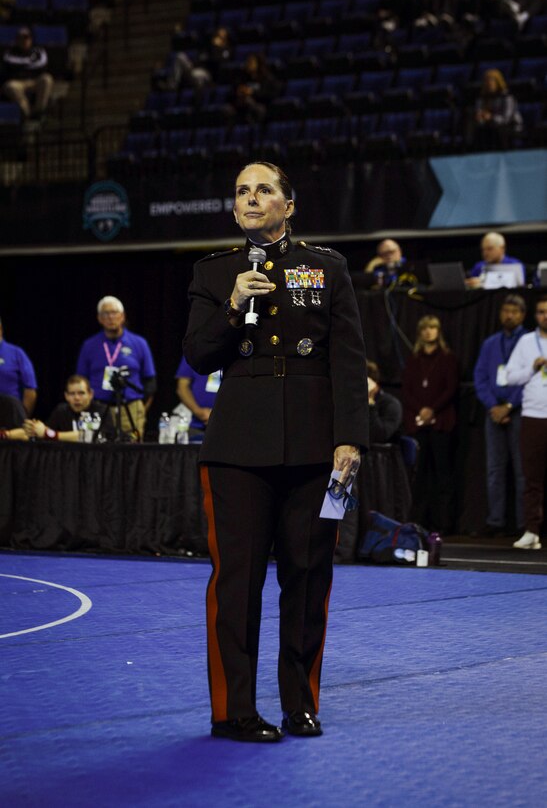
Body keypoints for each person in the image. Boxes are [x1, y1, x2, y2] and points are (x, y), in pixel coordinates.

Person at [183, 161, 368, 743]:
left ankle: (300, 704)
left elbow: (347, 359)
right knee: (236, 584)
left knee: (308, 578)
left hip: (316, 449)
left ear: (289, 205)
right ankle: (233, 711)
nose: (251, 198)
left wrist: (350, 438)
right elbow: (197, 356)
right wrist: (234, 304)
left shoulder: (327, 267)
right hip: (237, 447)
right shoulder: (215, 274)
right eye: (241, 191)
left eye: (264, 189)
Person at [473, 294, 526, 537]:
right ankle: (496, 521)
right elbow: (481, 377)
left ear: (522, 315)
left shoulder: (529, 342)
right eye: (506, 311)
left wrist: (510, 405)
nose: (509, 315)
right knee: (494, 469)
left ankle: (523, 523)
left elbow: (531, 378)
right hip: (493, 413)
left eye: (514, 312)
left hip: (521, 411)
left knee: (521, 469)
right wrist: (494, 406)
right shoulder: (490, 343)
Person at [402, 315, 459, 535]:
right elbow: (406, 390)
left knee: (442, 475)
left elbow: (450, 388)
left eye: (433, 327)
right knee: (419, 476)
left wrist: (432, 410)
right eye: (424, 328)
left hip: (441, 423)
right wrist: (421, 411)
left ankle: (443, 524)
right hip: (417, 424)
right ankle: (418, 522)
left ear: (439, 331)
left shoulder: (447, 358)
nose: (428, 332)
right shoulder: (413, 359)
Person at [76, 296, 157, 440]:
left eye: (114, 312)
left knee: (132, 454)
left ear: (123, 316)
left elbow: (150, 382)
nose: (110, 317)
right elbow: (81, 380)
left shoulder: (139, 343)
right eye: (105, 314)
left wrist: (141, 409)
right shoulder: (89, 345)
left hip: (131, 408)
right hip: (99, 408)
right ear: (99, 318)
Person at [506, 295, 547, 550]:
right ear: (535, 315)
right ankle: (532, 530)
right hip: (533, 416)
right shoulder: (525, 342)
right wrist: (532, 368)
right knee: (532, 477)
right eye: (542, 311)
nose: (545, 316)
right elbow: (510, 377)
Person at [23, 374, 114, 442]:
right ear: (66, 396)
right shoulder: (61, 410)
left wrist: (49, 434)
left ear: (90, 394)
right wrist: (33, 428)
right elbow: (44, 431)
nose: (77, 398)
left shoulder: (102, 410)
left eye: (81, 393)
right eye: (72, 394)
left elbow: (89, 436)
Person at [1, 26, 54, 121]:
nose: (24, 41)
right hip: (18, 82)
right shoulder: (10, 52)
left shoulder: (39, 51)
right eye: (21, 38)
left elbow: (42, 66)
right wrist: (29, 65)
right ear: (17, 40)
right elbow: (9, 65)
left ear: (31, 39)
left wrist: (21, 66)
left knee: (47, 79)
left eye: (26, 38)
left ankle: (39, 111)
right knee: (10, 86)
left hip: (34, 81)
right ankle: (27, 113)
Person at [467, 68, 522, 152]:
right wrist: (480, 117)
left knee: (497, 131)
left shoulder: (507, 97)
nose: (489, 84)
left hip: (509, 126)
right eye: (486, 81)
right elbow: (479, 112)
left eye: (492, 81)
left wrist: (491, 117)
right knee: (475, 128)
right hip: (490, 126)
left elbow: (507, 119)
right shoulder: (482, 98)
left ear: (498, 82)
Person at [175, 355, 221, 441]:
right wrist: (199, 411)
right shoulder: (195, 349)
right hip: (197, 425)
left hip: (229, 425)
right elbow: (182, 388)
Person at [0, 316, 37, 415]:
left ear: (0, 330)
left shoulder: (17, 353)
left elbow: (30, 389)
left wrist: (22, 416)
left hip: (10, 417)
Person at [231, 52, 280, 124]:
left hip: (261, 105)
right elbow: (232, 93)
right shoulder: (242, 78)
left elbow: (270, 95)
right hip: (242, 106)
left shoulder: (267, 79)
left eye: (251, 62)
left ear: (258, 64)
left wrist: (252, 92)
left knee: (259, 110)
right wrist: (238, 92)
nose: (248, 64)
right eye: (248, 62)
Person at [367, 360, 402, 444]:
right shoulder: (353, 403)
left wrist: (370, 403)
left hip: (381, 454)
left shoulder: (391, 404)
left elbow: (379, 435)